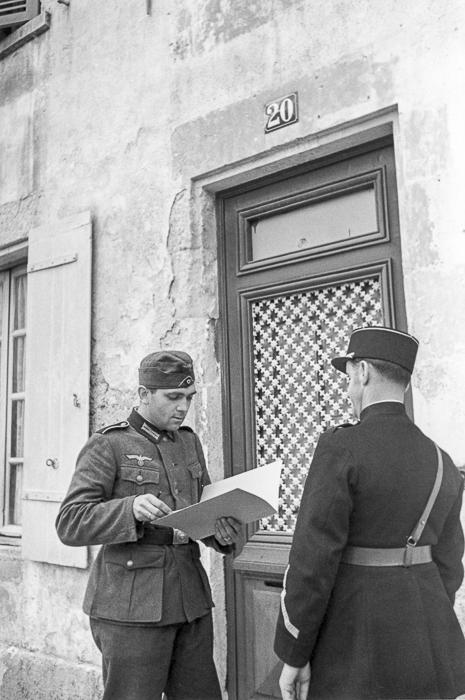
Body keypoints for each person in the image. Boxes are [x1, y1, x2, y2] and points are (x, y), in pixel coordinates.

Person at [274, 326, 465, 700]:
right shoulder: (442, 461)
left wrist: (295, 653)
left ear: (361, 372)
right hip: (427, 642)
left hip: (355, 642)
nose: (348, 390)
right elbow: (450, 564)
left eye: (348, 378)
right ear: (405, 384)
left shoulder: (341, 447)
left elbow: (313, 561)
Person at [56, 350, 241, 700]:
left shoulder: (189, 442)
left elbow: (200, 509)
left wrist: (219, 533)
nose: (183, 407)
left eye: (188, 398)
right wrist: (129, 509)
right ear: (143, 395)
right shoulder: (108, 445)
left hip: (190, 601)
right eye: (173, 397)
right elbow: (70, 522)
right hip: (131, 607)